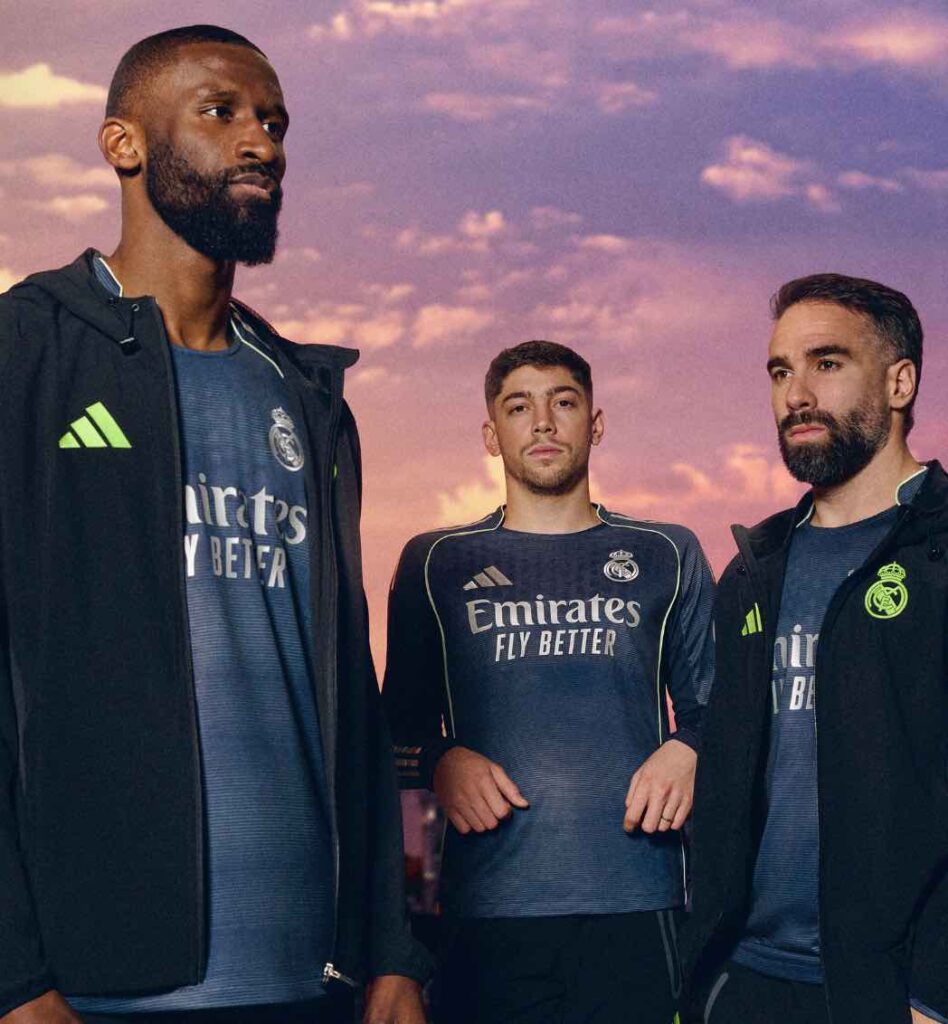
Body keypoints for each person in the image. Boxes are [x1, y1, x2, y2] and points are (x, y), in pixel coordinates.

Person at [0, 25, 429, 1024]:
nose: (261, 143)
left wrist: (390, 947)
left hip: (311, 976)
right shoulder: (26, 352)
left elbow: (347, 683)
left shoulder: (306, 395)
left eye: (275, 123)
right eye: (222, 111)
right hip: (93, 986)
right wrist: (13, 975)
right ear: (123, 143)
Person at [382, 340, 715, 1024]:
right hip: (488, 911)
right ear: (491, 434)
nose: (542, 422)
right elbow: (390, 738)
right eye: (518, 407)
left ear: (595, 424)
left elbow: (724, 712)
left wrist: (690, 747)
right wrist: (441, 759)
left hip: (638, 903)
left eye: (563, 402)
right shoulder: (437, 561)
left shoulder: (666, 552)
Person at [684, 273, 948, 1024]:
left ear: (899, 383)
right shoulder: (752, 571)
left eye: (827, 363)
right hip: (744, 981)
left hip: (892, 994)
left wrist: (935, 993)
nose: (796, 394)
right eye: (780, 371)